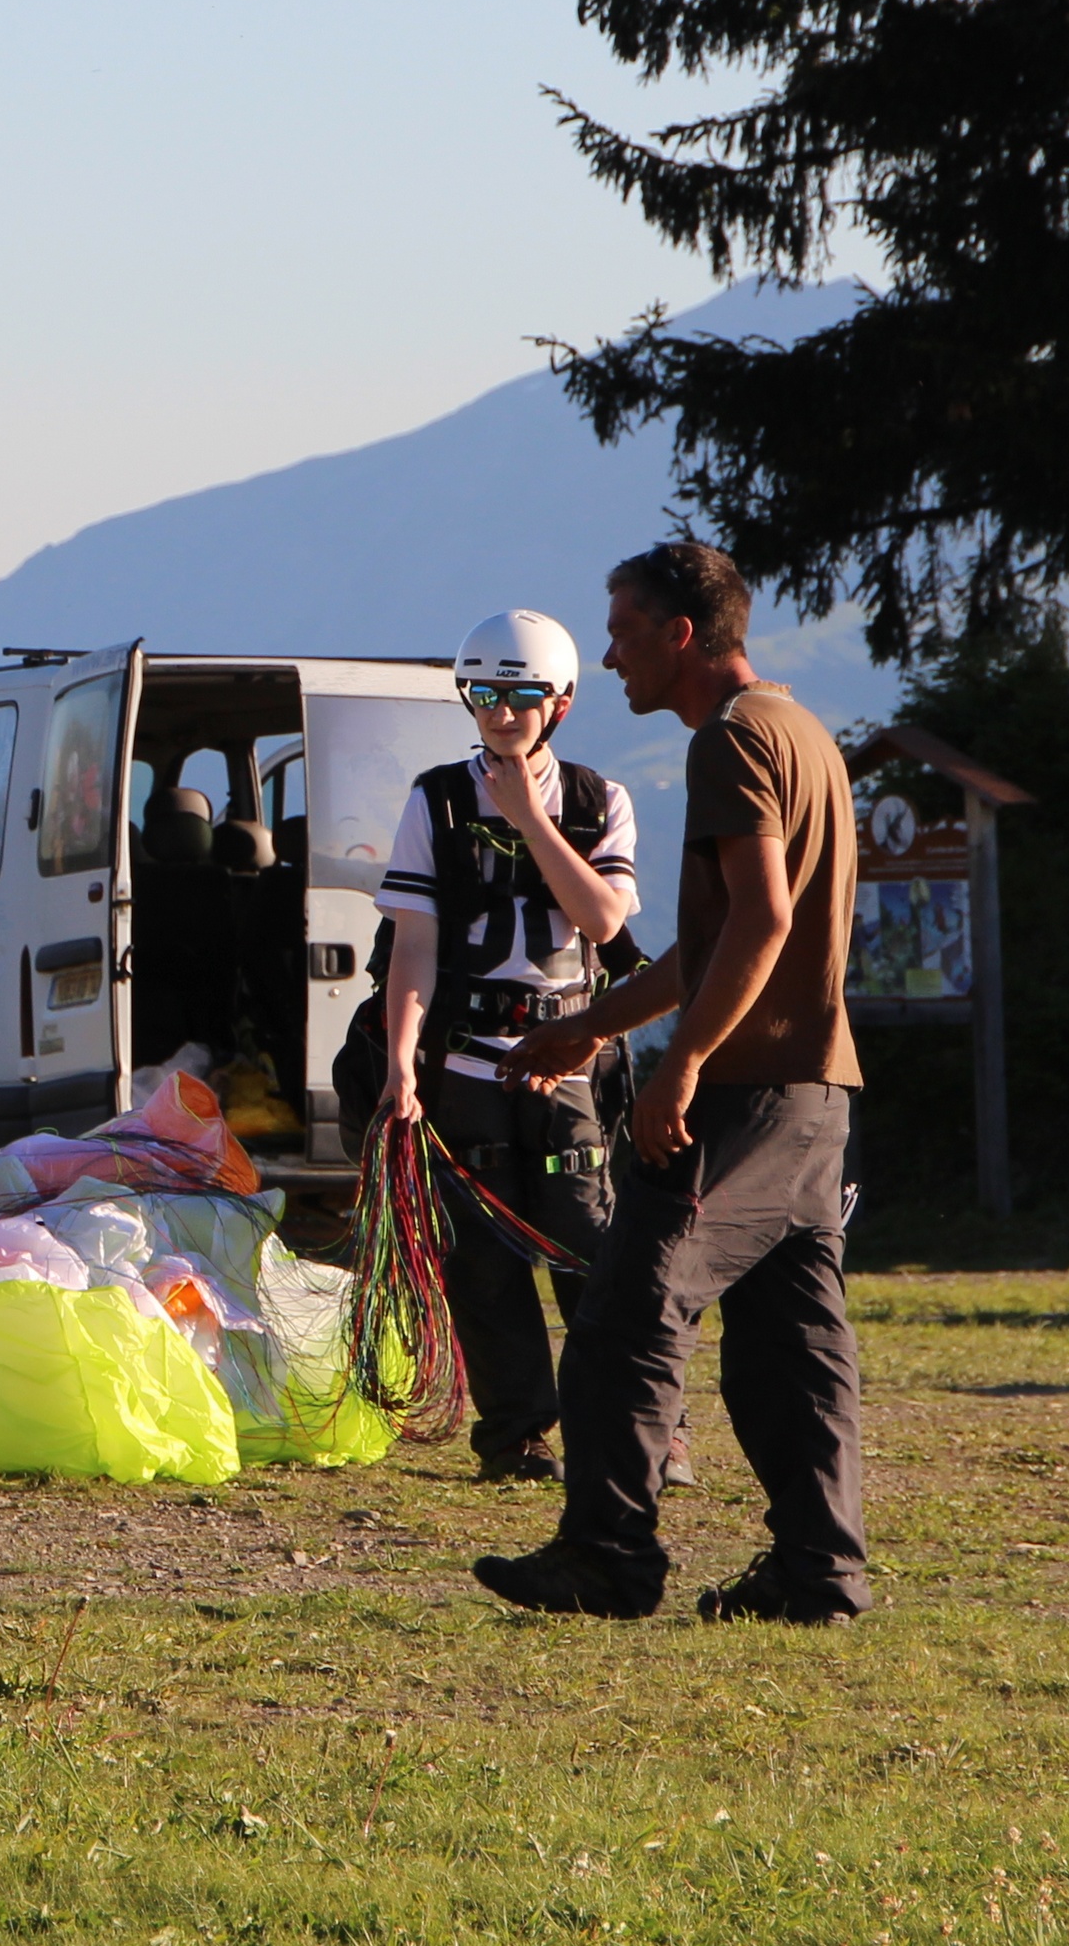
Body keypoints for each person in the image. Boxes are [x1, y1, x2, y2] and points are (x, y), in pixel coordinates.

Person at [478, 538, 870, 1626]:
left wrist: (683, 1062)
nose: (607, 657)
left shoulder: (729, 743)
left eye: (620, 630)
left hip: (741, 1091)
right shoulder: (799, 732)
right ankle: (817, 1573)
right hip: (816, 1093)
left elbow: (762, 918)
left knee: (621, 1310)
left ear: (680, 633)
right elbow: (707, 946)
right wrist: (590, 1027)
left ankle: (605, 1553)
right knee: (790, 1347)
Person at [377, 608, 641, 1485]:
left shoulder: (598, 799)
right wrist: (399, 1066)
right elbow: (411, 944)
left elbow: (603, 918)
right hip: (463, 1062)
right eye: (484, 695)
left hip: (564, 1056)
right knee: (481, 1260)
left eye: (520, 696)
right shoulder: (435, 798)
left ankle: (629, 1426)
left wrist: (530, 817)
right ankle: (515, 1436)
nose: (501, 714)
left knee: (584, 1243)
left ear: (558, 702)